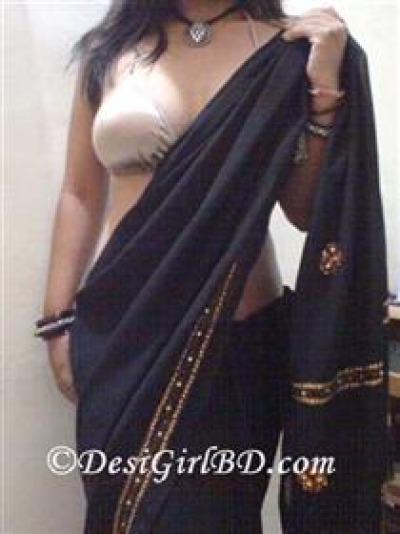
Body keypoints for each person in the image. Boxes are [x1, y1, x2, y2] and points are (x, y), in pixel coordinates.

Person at [35, 1, 388, 533]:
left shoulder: (285, 51)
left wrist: (322, 97)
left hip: (234, 344)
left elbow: (306, 212)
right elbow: (80, 193)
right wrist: (57, 321)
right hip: (122, 337)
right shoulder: (107, 52)